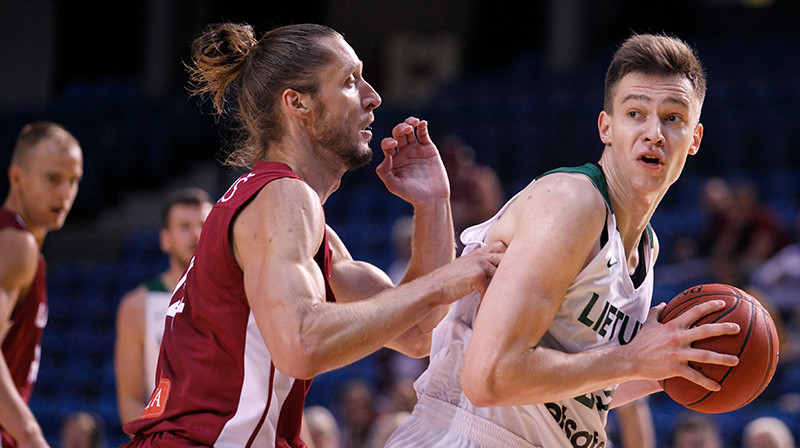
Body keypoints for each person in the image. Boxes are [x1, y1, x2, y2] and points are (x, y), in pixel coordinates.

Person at [121, 22, 503, 447]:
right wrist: (438, 284)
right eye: (349, 81)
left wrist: (432, 205)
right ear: (298, 103)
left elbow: (417, 334)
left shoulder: (285, 211)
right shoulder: (282, 196)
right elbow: (301, 343)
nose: (373, 95)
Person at [385, 33, 741, 448]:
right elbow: (490, 379)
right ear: (606, 127)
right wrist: (630, 358)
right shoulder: (571, 202)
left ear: (694, 139)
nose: (654, 133)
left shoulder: (646, 247)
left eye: (673, 118)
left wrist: (663, 365)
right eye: (635, 113)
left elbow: (575, 394)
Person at [0, 122, 83, 447]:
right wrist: (30, 434)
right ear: (17, 177)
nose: (65, 193)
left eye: (73, 181)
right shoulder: (16, 246)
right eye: (53, 179)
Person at [114, 187, 213, 424]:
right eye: (185, 227)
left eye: (203, 225)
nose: (196, 235)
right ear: (165, 239)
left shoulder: (241, 297)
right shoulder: (137, 305)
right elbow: (130, 401)